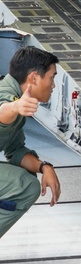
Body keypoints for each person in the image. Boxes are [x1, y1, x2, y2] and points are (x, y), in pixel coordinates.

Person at [0, 46, 62, 240]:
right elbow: (3, 110)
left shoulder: (14, 96)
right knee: (26, 186)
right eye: (52, 78)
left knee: (27, 175)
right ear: (34, 78)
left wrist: (44, 167)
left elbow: (15, 151)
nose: (53, 85)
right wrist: (15, 107)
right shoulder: (9, 98)